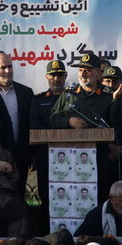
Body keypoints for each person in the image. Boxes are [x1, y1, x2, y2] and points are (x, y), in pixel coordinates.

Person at [50, 53, 122, 201]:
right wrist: (69, 121)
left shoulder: (108, 95)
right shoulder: (69, 94)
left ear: (98, 73)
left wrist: (116, 101)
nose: (83, 74)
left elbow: (115, 122)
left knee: (98, 196)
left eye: (88, 70)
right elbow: (53, 118)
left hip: (98, 157)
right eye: (80, 70)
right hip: (71, 157)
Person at [0, 52, 34, 197]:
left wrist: (32, 154)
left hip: (20, 155)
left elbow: (30, 124)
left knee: (18, 196)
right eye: (3, 67)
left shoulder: (26, 93)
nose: (7, 71)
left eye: (10, 66)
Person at [30, 60, 68, 234]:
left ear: (65, 76)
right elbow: (34, 127)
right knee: (47, 197)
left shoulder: (75, 98)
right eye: (52, 75)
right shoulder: (38, 100)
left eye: (60, 75)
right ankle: (47, 234)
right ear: (47, 77)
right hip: (46, 157)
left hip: (71, 157)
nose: (56, 79)